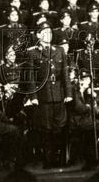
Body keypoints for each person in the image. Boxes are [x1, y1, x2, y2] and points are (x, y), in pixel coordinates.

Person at [25, 24, 72, 168]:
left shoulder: (59, 51)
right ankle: (47, 160)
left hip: (58, 94)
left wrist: (68, 93)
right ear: (38, 35)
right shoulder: (32, 53)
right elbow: (31, 78)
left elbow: (65, 75)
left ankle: (60, 160)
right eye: (44, 32)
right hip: (43, 95)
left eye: (50, 32)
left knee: (59, 127)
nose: (48, 35)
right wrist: (33, 97)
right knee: (46, 128)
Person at [69, 69, 99, 170]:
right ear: (79, 80)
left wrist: (95, 96)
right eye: (85, 79)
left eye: (89, 79)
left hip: (87, 120)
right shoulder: (74, 90)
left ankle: (97, 153)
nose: (88, 82)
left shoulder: (88, 91)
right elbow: (79, 108)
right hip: (77, 121)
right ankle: (96, 154)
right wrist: (89, 107)